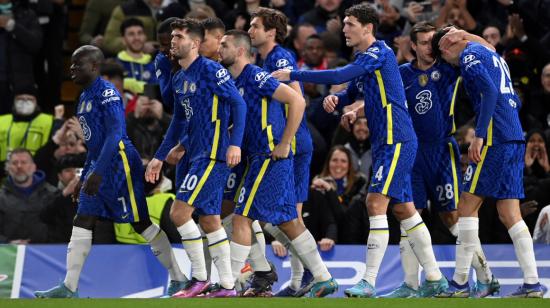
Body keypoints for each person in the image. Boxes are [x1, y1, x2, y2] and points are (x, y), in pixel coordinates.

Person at [273, 3, 447, 298]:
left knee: (375, 203)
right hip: (387, 141)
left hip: (396, 138)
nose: (344, 29)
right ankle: (434, 278)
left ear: (368, 27)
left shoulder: (380, 52)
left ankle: (368, 281)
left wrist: (294, 74)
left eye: (350, 24)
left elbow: (343, 73)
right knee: (404, 209)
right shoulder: (366, 58)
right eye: (344, 24)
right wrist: (339, 99)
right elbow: (352, 87)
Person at [34, 45, 188, 298]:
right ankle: (69, 287)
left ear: (94, 67)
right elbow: (94, 143)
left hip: (120, 164)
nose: (72, 69)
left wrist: (98, 173)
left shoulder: (108, 93)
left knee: (140, 223)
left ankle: (179, 277)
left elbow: (116, 135)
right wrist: (86, 177)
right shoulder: (83, 98)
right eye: (71, 64)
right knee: (83, 218)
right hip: (98, 163)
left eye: (78, 64)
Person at [381, 21, 497, 298]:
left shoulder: (448, 68)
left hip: (442, 151)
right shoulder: (401, 73)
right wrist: (353, 108)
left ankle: (485, 275)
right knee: (409, 215)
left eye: (434, 42)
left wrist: (465, 35)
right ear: (412, 46)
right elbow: (381, 98)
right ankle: (410, 284)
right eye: (424, 42)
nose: (430, 48)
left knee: (452, 217)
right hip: (412, 152)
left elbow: (489, 50)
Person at [218, 29, 337, 298]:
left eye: (224, 45)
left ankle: (228, 284)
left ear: (238, 51)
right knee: (288, 222)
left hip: (268, 156)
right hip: (261, 157)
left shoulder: (255, 76)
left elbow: (297, 100)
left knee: (241, 217)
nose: (219, 49)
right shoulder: (235, 81)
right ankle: (323, 277)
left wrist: (285, 142)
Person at [431, 27, 544, 298]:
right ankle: (532, 284)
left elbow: (489, 92)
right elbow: (481, 46)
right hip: (515, 136)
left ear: (447, 47)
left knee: (467, 206)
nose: (449, 63)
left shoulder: (469, 57)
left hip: (494, 138)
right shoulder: (490, 53)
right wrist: (463, 33)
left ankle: (459, 283)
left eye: (444, 57)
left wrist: (479, 137)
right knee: (509, 213)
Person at [145, 18, 247, 298]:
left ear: (196, 43)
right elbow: (178, 122)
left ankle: (199, 278)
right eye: (173, 37)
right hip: (195, 154)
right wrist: (159, 157)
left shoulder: (212, 71)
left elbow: (238, 104)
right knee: (210, 219)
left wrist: (234, 144)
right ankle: (226, 284)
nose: (173, 41)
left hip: (212, 154)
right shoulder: (179, 77)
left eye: (179, 36)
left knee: (179, 213)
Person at [248, 7, 315, 296]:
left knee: (290, 216)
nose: (250, 30)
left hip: (293, 143)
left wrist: (286, 140)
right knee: (283, 216)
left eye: (255, 26)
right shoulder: (263, 58)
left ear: (271, 31)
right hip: (282, 142)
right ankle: (300, 281)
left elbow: (297, 97)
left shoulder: (280, 57)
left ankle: (310, 276)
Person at [306, 145, 367, 246]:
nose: (338, 165)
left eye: (343, 161)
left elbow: (344, 218)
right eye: (335, 160)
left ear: (349, 165)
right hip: (319, 242)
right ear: (328, 163)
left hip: (349, 243)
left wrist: (329, 190)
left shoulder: (358, 185)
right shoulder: (316, 186)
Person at [0, 148, 58, 244]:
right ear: (8, 168)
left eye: (24, 162)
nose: (19, 166)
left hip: (46, 254)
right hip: (8, 255)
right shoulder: (1, 198)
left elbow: (61, 228)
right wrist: (7, 243)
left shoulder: (53, 195)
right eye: (14, 163)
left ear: (34, 167)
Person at [116, 18, 157, 95]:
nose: (137, 38)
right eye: (131, 34)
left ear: (145, 37)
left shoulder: (154, 65)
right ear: (123, 40)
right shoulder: (115, 65)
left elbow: (157, 90)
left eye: (140, 33)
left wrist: (128, 84)